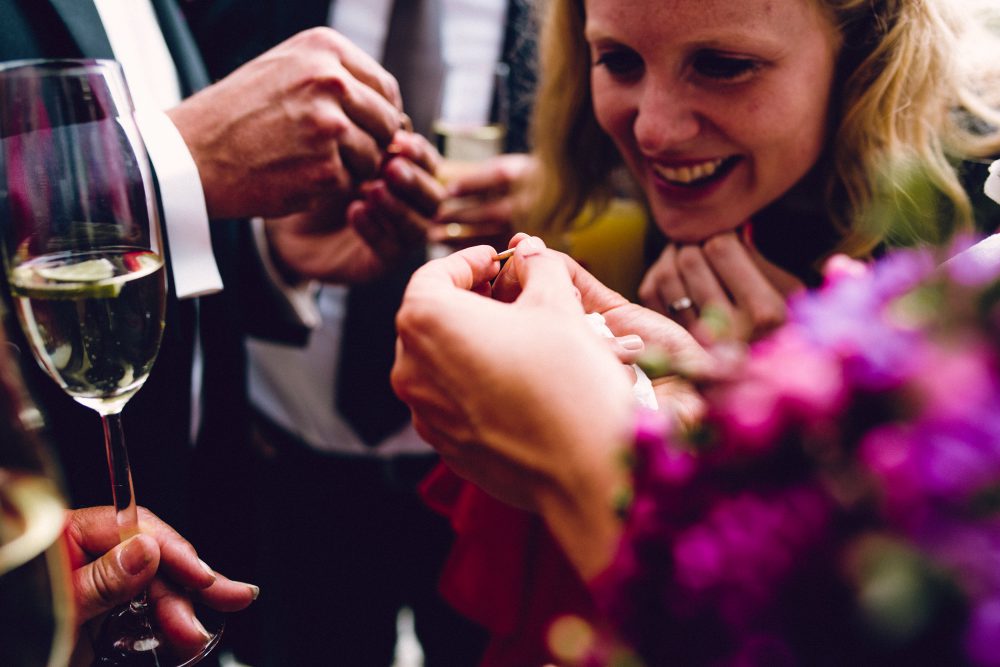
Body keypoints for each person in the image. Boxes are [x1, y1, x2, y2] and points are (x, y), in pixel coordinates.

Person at [0, 3, 441, 664]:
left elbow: (173, 220)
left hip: (193, 566)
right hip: (43, 601)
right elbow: (172, 163)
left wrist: (273, 256)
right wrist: (166, 158)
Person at [179, 1, 539, 664]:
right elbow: (185, 185)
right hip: (280, 462)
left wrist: (563, 202)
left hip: (495, 479)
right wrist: (275, 254)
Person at [524, 0, 1000, 343]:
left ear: (863, 49)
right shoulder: (606, 186)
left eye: (722, 66)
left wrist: (798, 391)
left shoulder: (974, 245)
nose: (653, 131)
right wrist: (552, 192)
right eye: (618, 60)